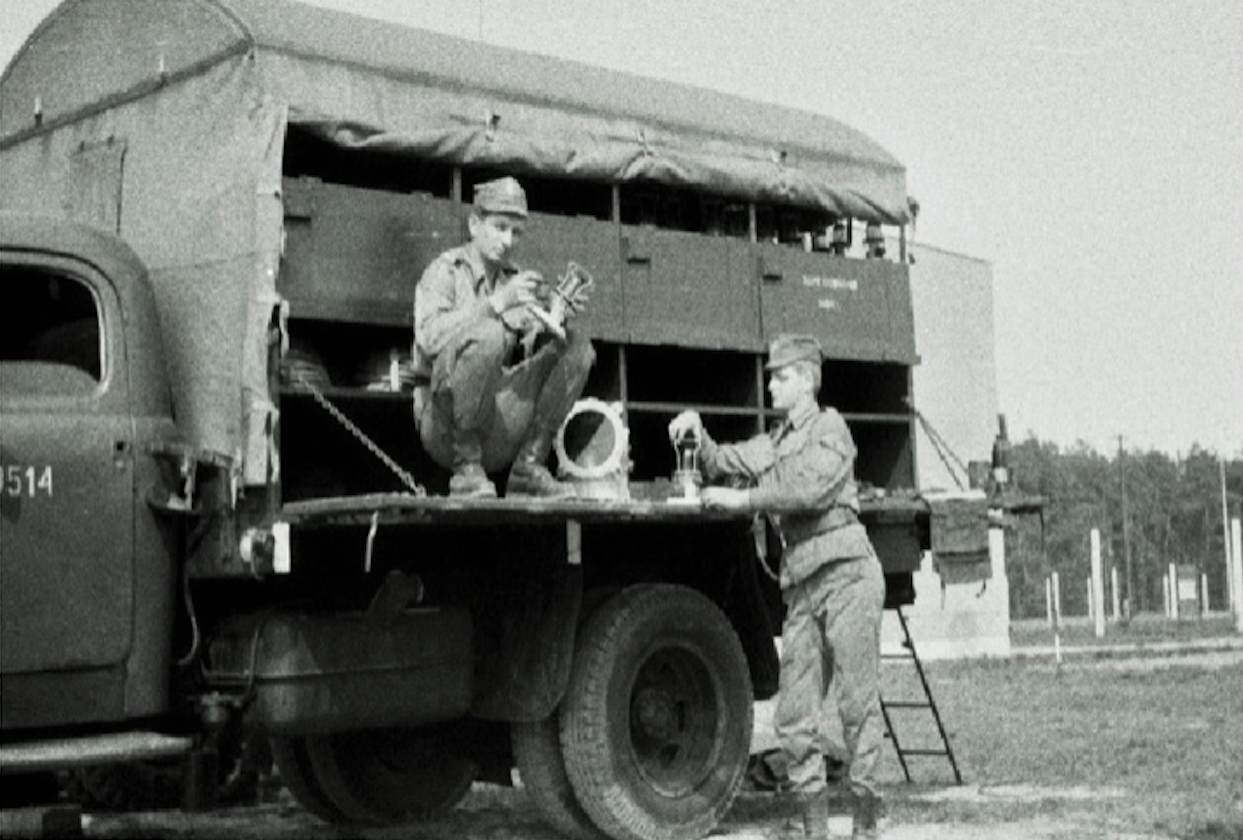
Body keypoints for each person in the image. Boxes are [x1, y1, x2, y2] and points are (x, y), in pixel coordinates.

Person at [667, 334, 885, 840]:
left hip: (847, 573)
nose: (769, 385)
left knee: (856, 706)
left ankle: (866, 825)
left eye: (780, 377)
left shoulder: (830, 427)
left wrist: (744, 503)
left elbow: (809, 489)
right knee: (794, 716)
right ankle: (815, 828)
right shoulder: (779, 438)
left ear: (806, 380)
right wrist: (698, 434)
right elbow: (727, 462)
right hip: (804, 585)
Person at [412, 176, 595, 498]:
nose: (509, 240)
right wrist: (497, 304)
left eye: (516, 232)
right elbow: (428, 338)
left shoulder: (513, 280)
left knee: (576, 347)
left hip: (496, 422)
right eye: (499, 227)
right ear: (474, 225)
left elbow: (530, 350)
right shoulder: (445, 271)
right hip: (444, 425)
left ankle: (529, 467)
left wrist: (556, 315)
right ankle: (466, 472)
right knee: (489, 335)